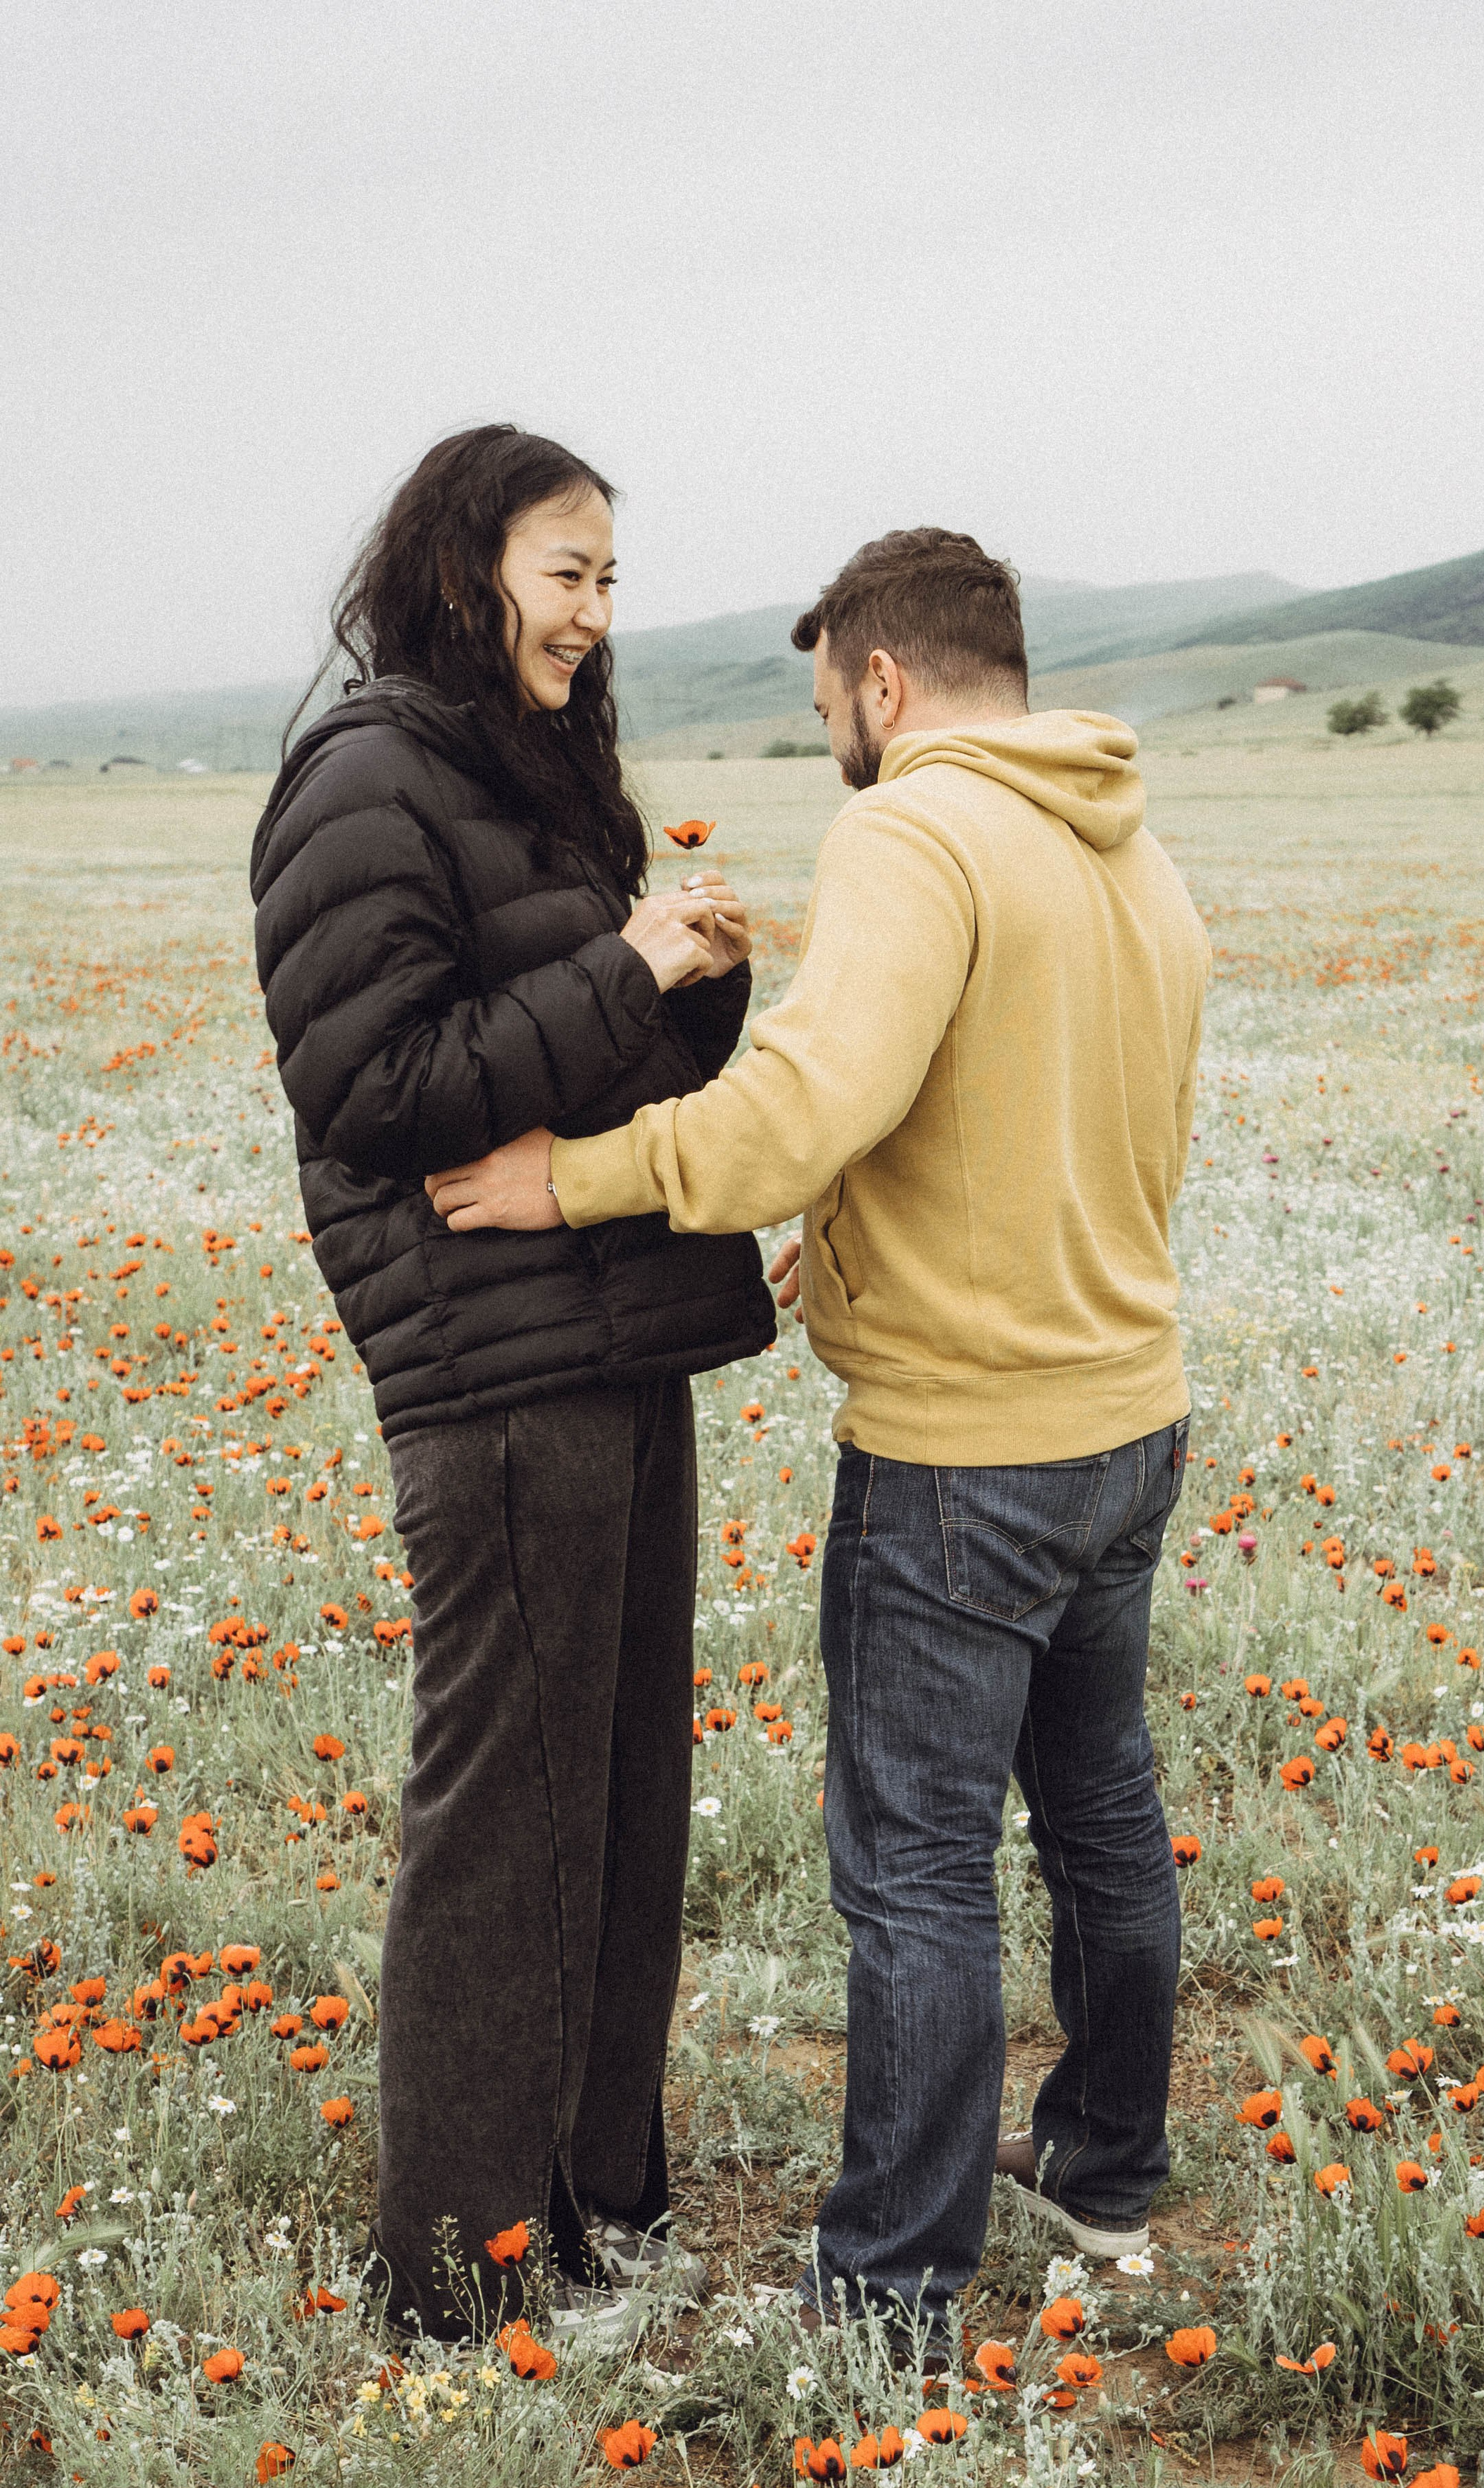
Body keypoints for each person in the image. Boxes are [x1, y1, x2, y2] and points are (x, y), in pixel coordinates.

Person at [425, 527, 1208, 2338]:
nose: (829, 743)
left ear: (881, 681)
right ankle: (1101, 2172)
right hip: (1123, 1412)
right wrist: (859, 1230)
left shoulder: (913, 830)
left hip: (962, 1444)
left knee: (917, 1866)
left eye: (822, 706)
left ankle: (887, 2293)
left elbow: (805, 1103)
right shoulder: (1125, 843)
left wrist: (577, 1176)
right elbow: (1057, 1111)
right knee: (1098, 1812)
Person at [251, 425, 774, 2346]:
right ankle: (462, 2273)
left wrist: (688, 978)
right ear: (471, 565)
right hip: (494, 1372)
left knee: (627, 1797)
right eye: (570, 572)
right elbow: (377, 1093)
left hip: (614, 1337)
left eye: (613, 579)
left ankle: (602, 2204)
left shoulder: (527, 778)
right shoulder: (366, 776)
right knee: (508, 1818)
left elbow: (574, 1056)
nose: (595, 613)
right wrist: (622, 973)